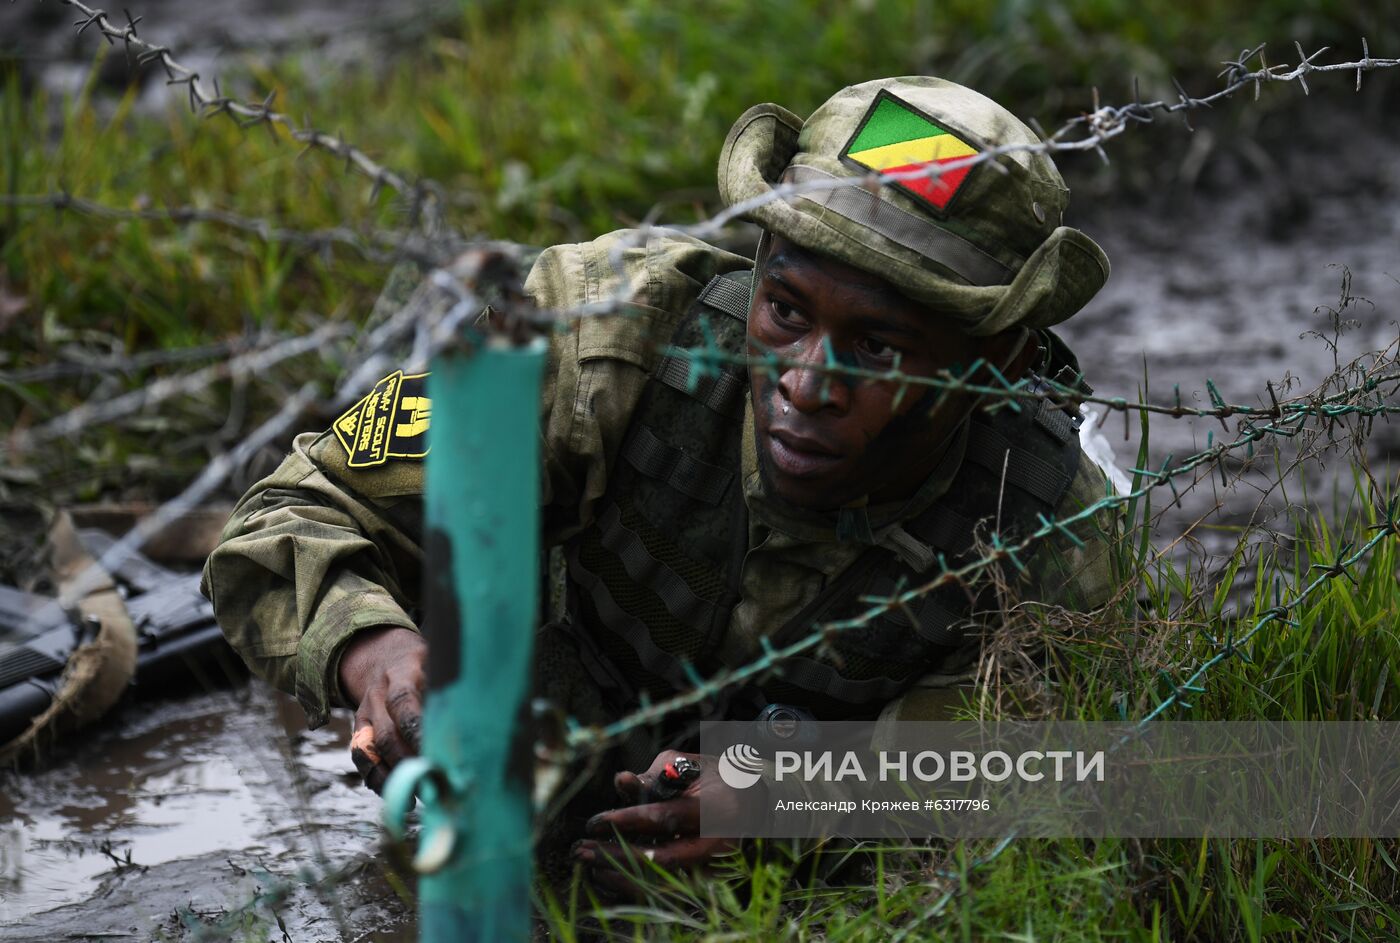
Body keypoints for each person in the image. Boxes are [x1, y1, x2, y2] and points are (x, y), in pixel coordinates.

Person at [201, 76, 1119, 894]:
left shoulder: (1045, 532)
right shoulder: (606, 340)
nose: (805, 381)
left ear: (991, 359)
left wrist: (795, 802)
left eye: (878, 349)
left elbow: (1035, 774)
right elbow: (294, 510)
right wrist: (376, 652)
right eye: (786, 311)